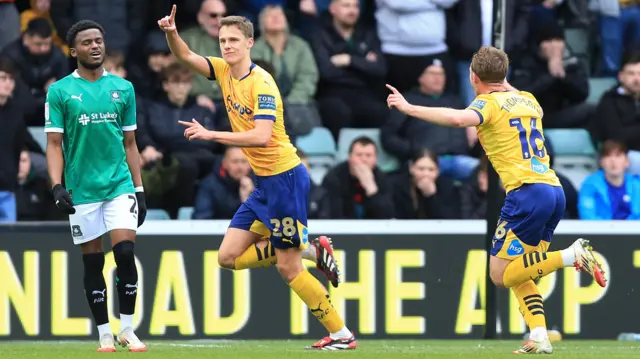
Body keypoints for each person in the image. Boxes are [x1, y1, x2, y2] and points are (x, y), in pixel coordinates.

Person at [386, 45, 607, 354]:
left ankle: (571, 256)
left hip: (526, 194)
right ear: (504, 76)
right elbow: (526, 104)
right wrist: (504, 83)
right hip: (552, 191)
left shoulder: (486, 104)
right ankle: (540, 335)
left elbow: (459, 120)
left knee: (499, 275)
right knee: (523, 269)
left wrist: (410, 108)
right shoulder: (528, 101)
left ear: (473, 77)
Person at [157, 5, 356, 350]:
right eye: (222, 40)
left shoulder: (262, 82)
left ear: (250, 43)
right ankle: (309, 249)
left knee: (288, 269)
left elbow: (262, 136)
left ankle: (340, 333)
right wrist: (171, 33)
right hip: (265, 183)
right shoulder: (222, 71)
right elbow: (186, 55)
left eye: (234, 40)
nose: (226, 46)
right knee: (227, 258)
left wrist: (211, 135)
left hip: (285, 179)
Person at [44, 20, 147, 353]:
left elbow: (130, 143)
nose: (95, 46)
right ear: (74, 51)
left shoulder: (124, 89)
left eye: (99, 40)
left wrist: (139, 189)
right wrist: (57, 186)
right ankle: (104, 332)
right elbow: (55, 144)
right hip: (82, 190)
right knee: (93, 263)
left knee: (126, 253)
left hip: (119, 184)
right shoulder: (59, 92)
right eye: (87, 42)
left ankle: (127, 329)